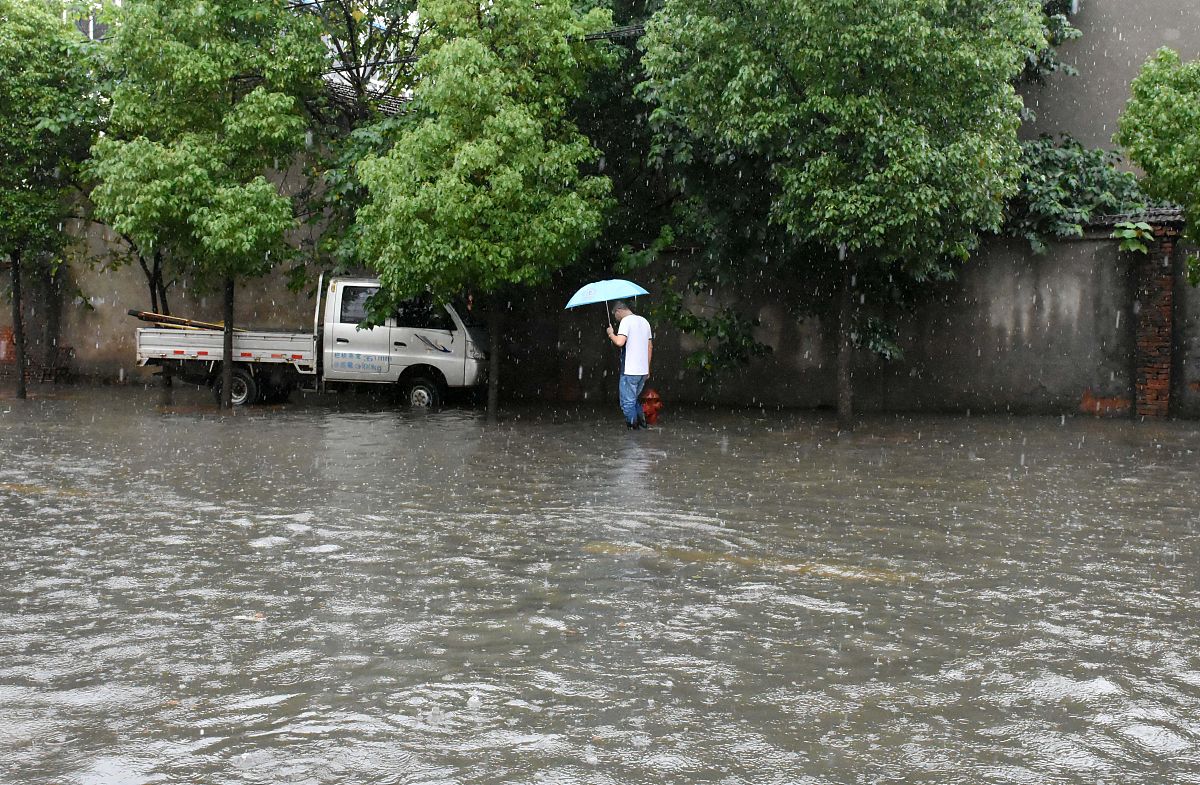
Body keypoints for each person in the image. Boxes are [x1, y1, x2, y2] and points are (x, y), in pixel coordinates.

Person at [605, 301, 653, 429]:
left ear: (618, 311)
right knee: (634, 400)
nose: (616, 318)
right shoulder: (644, 321)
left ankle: (633, 431)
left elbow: (620, 342)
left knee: (627, 404)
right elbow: (649, 347)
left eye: (615, 315)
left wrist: (611, 334)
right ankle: (642, 427)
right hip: (642, 371)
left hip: (629, 371)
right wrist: (648, 368)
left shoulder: (626, 321)